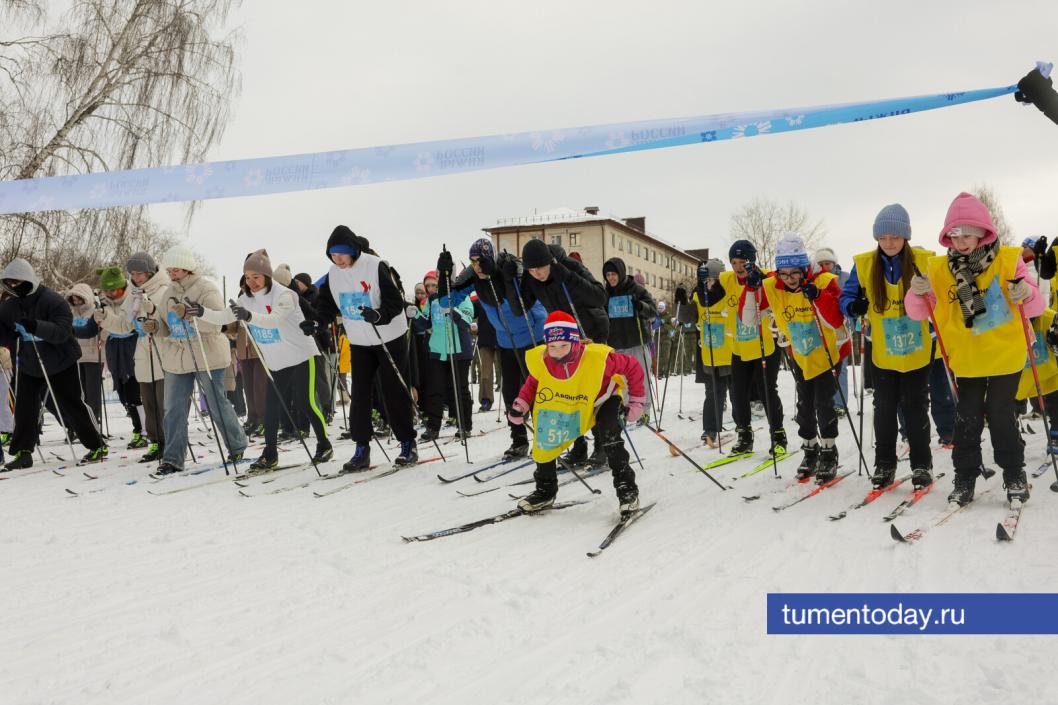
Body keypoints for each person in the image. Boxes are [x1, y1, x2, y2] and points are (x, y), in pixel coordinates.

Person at [905, 192, 1043, 506]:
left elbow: (1035, 305)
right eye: (955, 234)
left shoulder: (1008, 259)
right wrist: (918, 292)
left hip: (1005, 353)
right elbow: (919, 312)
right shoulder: (938, 269)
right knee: (966, 418)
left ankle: (1013, 473)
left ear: (983, 232)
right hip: (966, 358)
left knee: (1000, 414)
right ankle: (965, 476)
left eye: (968, 233)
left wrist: (1025, 291)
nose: (961, 240)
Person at [199, 250, 333, 471]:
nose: (251, 282)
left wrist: (249, 316)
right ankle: (269, 453)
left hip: (301, 355)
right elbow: (223, 317)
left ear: (267, 276)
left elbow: (275, 321)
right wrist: (199, 311)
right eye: (247, 277)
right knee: (271, 407)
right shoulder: (245, 299)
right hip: (276, 361)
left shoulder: (284, 295)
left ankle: (324, 444)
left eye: (256, 277)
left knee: (305, 402)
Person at [508, 311, 647, 514]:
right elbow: (534, 382)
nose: (558, 351)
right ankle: (545, 491)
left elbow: (632, 366)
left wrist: (636, 401)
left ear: (575, 341)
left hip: (602, 399)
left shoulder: (597, 357)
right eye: (553, 346)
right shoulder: (543, 360)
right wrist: (521, 404)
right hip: (571, 403)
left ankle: (627, 489)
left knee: (609, 433)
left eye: (564, 345)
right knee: (545, 435)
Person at [840, 203, 935, 489]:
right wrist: (853, 306)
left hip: (917, 350)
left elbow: (941, 294)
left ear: (905, 236)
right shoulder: (865, 263)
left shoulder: (923, 259)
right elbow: (847, 296)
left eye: (894, 237)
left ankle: (921, 464)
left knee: (915, 406)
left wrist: (929, 291)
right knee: (883, 408)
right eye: (883, 238)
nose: (889, 243)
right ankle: (884, 464)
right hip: (882, 351)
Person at [313, 225, 418, 470]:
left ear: (353, 250)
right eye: (332, 254)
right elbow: (327, 304)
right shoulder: (333, 273)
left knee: (393, 391)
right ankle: (362, 448)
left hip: (389, 337)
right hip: (360, 340)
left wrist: (379, 315)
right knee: (359, 396)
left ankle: (407, 443)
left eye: (341, 253)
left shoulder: (376, 265)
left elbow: (395, 301)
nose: (336, 258)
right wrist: (317, 322)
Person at [440, 239, 546, 459]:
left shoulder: (511, 268)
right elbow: (446, 301)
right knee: (510, 394)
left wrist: (499, 276)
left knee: (536, 392)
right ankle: (518, 440)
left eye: (480, 261)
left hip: (532, 338)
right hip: (506, 342)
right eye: (473, 261)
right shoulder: (474, 276)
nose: (476, 266)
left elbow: (525, 305)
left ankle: (544, 439)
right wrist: (444, 275)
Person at [147, 245, 248, 475]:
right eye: (169, 269)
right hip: (177, 357)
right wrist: (155, 327)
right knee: (173, 408)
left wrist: (191, 316)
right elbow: (166, 325)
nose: (172, 273)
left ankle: (236, 444)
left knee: (215, 403)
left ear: (188, 268)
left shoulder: (206, 289)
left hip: (207, 355)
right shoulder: (168, 293)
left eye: (177, 269)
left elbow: (217, 323)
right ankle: (172, 458)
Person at [0, 258, 107, 469]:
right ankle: (23, 451)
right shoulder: (10, 305)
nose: (14, 288)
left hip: (61, 361)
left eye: (17, 283)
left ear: (29, 281)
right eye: (10, 284)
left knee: (72, 403)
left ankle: (96, 444)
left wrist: (36, 327)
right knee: (24, 407)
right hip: (30, 362)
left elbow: (62, 332)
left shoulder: (52, 300)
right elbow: (3, 329)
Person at [757, 233, 848, 481]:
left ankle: (829, 452)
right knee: (804, 405)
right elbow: (757, 286)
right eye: (784, 275)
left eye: (795, 274)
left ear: (805, 269)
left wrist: (817, 297)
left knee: (823, 404)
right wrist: (751, 281)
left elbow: (836, 318)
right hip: (801, 354)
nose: (789, 280)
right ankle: (810, 449)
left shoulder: (825, 282)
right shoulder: (776, 285)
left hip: (829, 354)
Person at [515, 238, 610, 468]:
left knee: (594, 393)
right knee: (568, 394)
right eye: (531, 269)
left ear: (549, 261)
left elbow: (599, 297)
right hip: (563, 342)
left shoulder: (569, 265)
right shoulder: (531, 277)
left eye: (540, 267)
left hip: (590, 333)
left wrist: (566, 275)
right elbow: (520, 308)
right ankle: (578, 446)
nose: (536, 273)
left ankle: (602, 446)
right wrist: (511, 281)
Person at [698, 240, 786, 456]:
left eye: (742, 262)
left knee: (767, 392)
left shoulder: (766, 276)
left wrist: (761, 283)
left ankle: (778, 436)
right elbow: (709, 301)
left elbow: (781, 289)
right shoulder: (727, 279)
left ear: (752, 261)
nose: (738, 267)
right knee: (738, 395)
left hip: (765, 346)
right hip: (739, 347)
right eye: (734, 262)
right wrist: (703, 286)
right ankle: (744, 436)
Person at [97, 251, 169, 462]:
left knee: (163, 401)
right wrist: (105, 318)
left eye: (140, 274)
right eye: (133, 274)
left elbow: (170, 322)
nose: (136, 278)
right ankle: (156, 442)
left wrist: (154, 322)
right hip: (143, 355)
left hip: (164, 353)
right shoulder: (134, 295)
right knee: (148, 401)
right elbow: (124, 324)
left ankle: (171, 441)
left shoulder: (163, 291)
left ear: (150, 272)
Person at [93, 266, 149, 450]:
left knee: (134, 390)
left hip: (132, 345)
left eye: (114, 290)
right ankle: (137, 427)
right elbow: (95, 325)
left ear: (122, 287)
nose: (110, 294)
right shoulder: (103, 302)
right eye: (107, 290)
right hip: (114, 348)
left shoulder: (132, 298)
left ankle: (144, 431)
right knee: (123, 392)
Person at [602, 257, 657, 425]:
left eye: (614, 274)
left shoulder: (636, 290)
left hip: (636, 342)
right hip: (616, 345)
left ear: (621, 273)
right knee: (621, 382)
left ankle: (644, 411)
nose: (611, 278)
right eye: (608, 275)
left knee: (641, 378)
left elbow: (652, 312)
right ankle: (626, 411)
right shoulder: (605, 293)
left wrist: (640, 306)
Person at [685, 258, 733, 446]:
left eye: (712, 280)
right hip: (709, 352)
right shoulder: (699, 296)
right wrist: (682, 302)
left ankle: (742, 426)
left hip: (728, 351)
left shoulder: (729, 293)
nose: (709, 284)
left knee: (735, 392)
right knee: (713, 391)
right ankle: (710, 429)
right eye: (706, 280)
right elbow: (687, 318)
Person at [814, 247, 852, 417]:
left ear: (834, 263)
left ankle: (839, 403)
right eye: (820, 264)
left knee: (840, 367)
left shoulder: (844, 277)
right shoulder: (815, 280)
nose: (824, 266)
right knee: (823, 367)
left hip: (840, 327)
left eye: (827, 263)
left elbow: (851, 297)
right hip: (820, 329)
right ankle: (824, 402)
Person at [65, 283, 105, 428]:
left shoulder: (94, 311)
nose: (76, 302)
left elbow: (98, 331)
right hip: (77, 357)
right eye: (74, 299)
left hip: (93, 356)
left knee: (92, 392)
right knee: (81, 392)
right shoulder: (72, 313)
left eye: (79, 299)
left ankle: (95, 421)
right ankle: (83, 423)